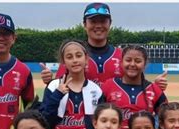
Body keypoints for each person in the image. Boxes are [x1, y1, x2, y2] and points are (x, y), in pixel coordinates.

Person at [40, 2, 168, 90]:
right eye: (93, 21)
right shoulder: (74, 56)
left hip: (114, 122)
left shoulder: (122, 56)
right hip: (84, 123)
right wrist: (50, 81)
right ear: (84, 24)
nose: (98, 25)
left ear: (110, 23)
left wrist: (155, 87)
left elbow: (137, 88)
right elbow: (60, 88)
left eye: (103, 21)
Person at [40, 39, 104, 129]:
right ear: (63, 62)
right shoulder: (54, 86)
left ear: (86, 59)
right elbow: (45, 120)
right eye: (69, 57)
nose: (75, 60)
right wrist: (57, 95)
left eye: (78, 56)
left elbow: (98, 125)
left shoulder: (95, 90)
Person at [101, 45, 168, 129]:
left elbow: (166, 118)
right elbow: (97, 116)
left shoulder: (154, 89)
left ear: (145, 64)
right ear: (121, 62)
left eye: (138, 61)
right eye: (128, 60)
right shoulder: (108, 86)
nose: (132, 64)